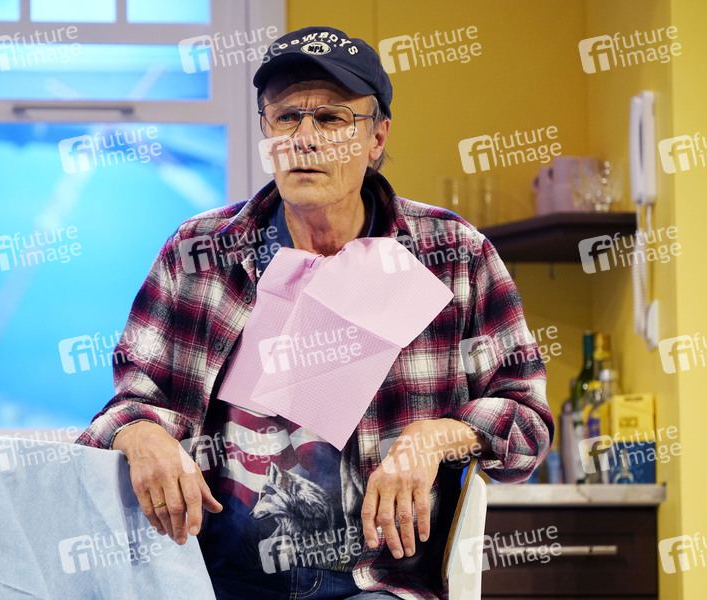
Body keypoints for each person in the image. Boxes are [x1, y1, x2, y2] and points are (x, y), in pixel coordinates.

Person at [77, 26, 554, 600]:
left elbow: (527, 424)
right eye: (286, 118)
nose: (304, 139)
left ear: (376, 137)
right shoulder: (199, 253)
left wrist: (434, 438)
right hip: (216, 582)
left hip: (378, 584)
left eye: (331, 119)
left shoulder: (453, 255)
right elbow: (129, 404)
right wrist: (139, 433)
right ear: (266, 133)